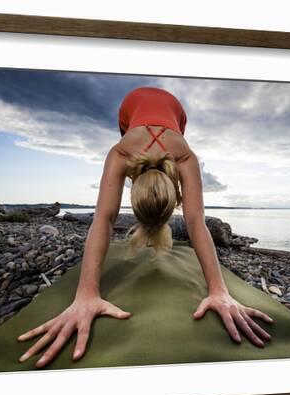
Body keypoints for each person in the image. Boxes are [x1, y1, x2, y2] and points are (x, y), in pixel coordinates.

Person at [17, 86, 274, 368]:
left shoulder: (165, 154)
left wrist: (219, 291)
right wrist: (85, 295)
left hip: (174, 114)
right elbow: (193, 220)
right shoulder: (140, 152)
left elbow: (105, 217)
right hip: (132, 112)